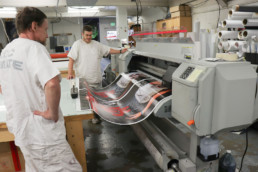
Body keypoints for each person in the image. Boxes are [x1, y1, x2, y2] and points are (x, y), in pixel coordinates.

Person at [0, 7, 82, 172]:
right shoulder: (34, 48)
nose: (47, 35)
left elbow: (3, 87)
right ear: (33, 26)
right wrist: (52, 113)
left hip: (21, 131)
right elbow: (52, 83)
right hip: (43, 134)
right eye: (45, 29)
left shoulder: (7, 51)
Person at [67, 25, 128, 124]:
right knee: (86, 101)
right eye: (87, 35)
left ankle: (96, 116)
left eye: (90, 35)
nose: (88, 37)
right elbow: (71, 59)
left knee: (97, 100)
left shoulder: (96, 45)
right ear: (82, 34)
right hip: (83, 80)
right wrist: (70, 73)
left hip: (96, 79)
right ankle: (90, 116)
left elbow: (109, 50)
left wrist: (121, 51)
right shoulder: (77, 44)